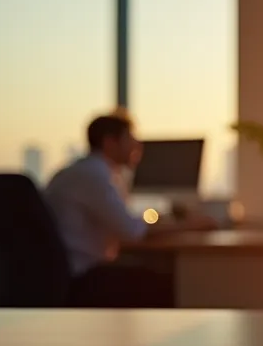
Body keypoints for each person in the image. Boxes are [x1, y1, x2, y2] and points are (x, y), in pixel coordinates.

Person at [44, 113, 216, 307]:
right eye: (130, 138)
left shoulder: (83, 171)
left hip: (70, 272)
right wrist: (192, 225)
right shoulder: (94, 175)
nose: (137, 146)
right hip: (82, 275)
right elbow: (133, 231)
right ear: (110, 142)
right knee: (169, 282)